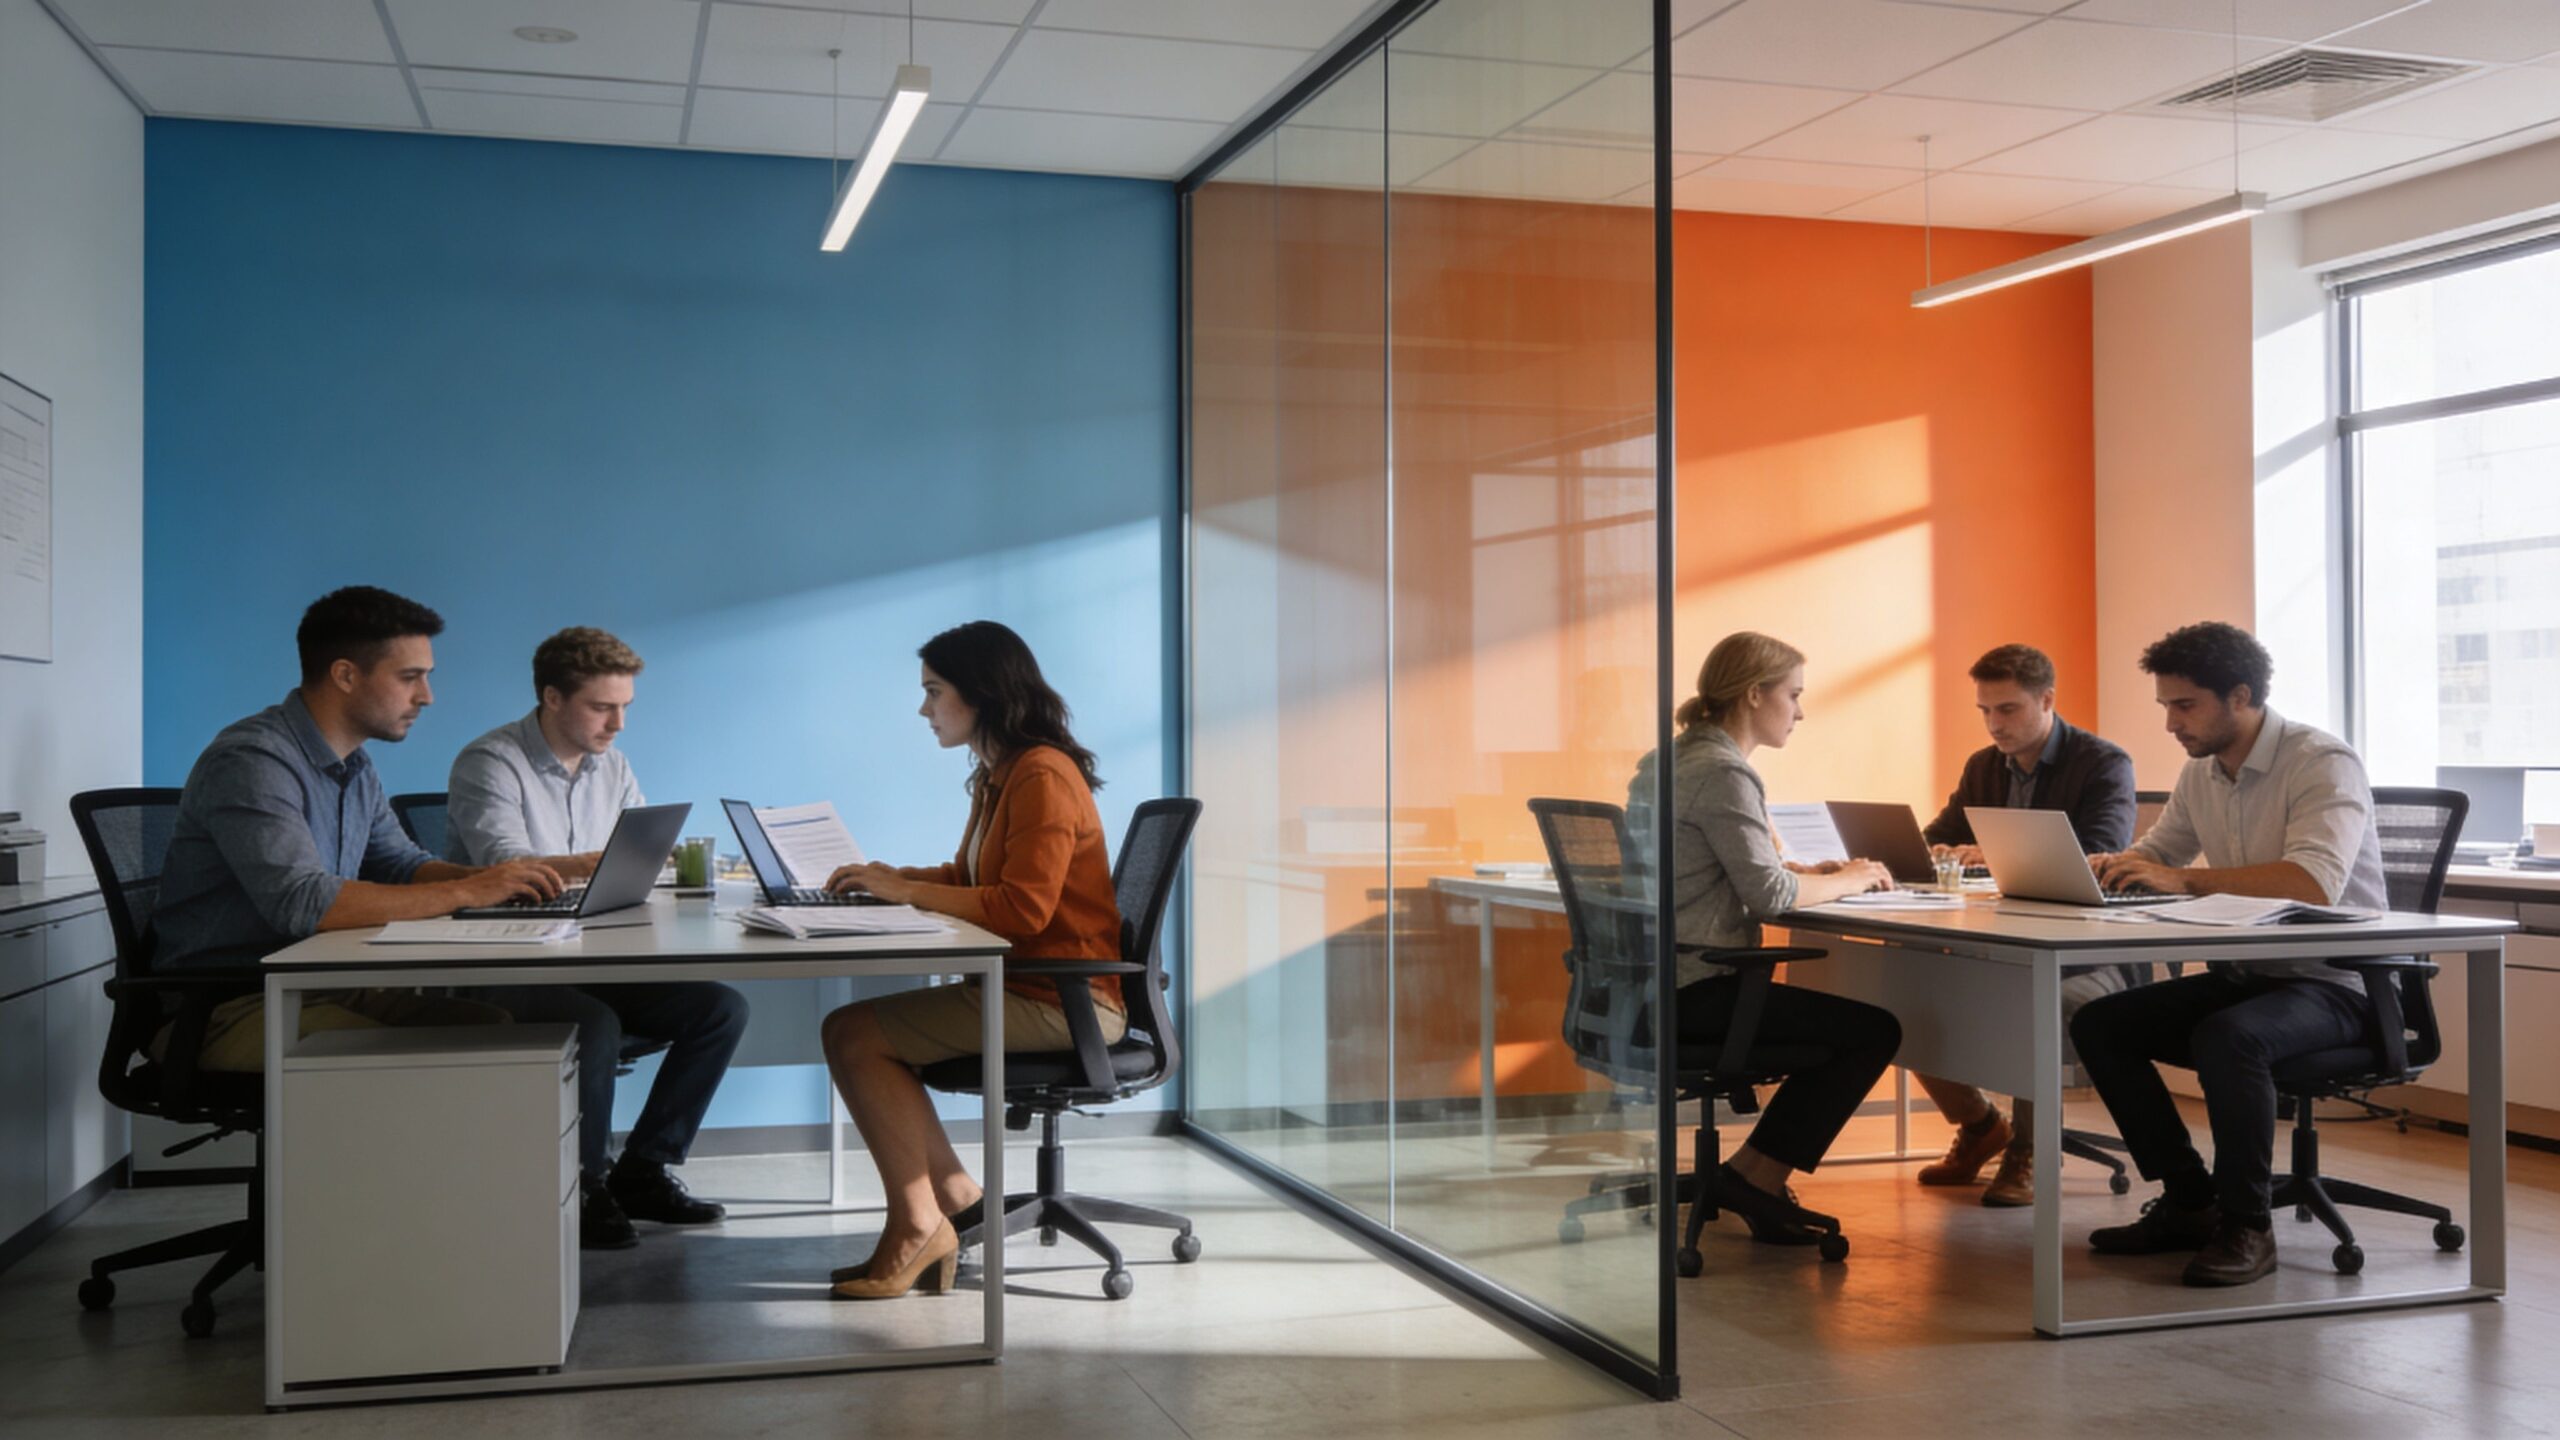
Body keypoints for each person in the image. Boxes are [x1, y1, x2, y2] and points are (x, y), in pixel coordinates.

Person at [2071, 621, 2387, 1287]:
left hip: (2341, 984)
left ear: (2239, 696)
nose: (2170, 723)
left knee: (2229, 1036)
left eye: (2184, 705)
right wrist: (2102, 867)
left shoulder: (2321, 762)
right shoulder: (2203, 772)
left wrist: (2182, 880)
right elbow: (2159, 854)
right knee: (2102, 1022)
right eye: (2166, 706)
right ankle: (2191, 1201)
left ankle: (2248, 1225)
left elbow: (2313, 882)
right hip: (2254, 975)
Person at [815, 621, 1123, 1299]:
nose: (923, 708)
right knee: (852, 1032)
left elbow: (1023, 909)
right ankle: (954, 1199)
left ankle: (919, 1225)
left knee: (854, 1034)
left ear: (981, 693)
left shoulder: (1042, 774)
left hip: (1066, 1002)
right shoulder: (1000, 774)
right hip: (1032, 989)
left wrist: (904, 892)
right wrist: (889, 877)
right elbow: (968, 877)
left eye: (934, 691)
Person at [151, 587, 573, 1070]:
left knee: (495, 1033)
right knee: (439, 1064)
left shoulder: (355, 765)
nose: (427, 696)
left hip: (320, 984)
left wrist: (497, 885)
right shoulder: (252, 760)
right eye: (410, 677)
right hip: (227, 1004)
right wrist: (469, 891)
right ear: (346, 675)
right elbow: (303, 902)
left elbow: (400, 865)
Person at [446, 627, 748, 1251]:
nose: (618, 724)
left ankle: (643, 1170)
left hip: (588, 954)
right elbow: (510, 866)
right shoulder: (490, 761)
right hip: (508, 963)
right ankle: (584, 1187)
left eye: (624, 707)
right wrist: (596, 863)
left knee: (720, 1008)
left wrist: (657, 866)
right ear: (552, 698)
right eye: (602, 707)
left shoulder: (613, 766)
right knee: (596, 1022)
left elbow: (635, 858)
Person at [1626, 631, 1905, 1246]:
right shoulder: (1724, 771)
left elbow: (1723, 868)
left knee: (1847, 1029)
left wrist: (1808, 873)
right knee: (1874, 1031)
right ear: (1754, 694)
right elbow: (1771, 898)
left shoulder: (1669, 760)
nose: (1800, 712)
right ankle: (1760, 1180)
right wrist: (1855, 878)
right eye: (1794, 695)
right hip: (1698, 988)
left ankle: (1750, 1175)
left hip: (1646, 988)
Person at [1908, 644, 2137, 1206]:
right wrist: (1936, 850)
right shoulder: (1984, 767)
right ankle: (1983, 1126)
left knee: (2032, 1001)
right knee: (1908, 998)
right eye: (1985, 711)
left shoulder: (2103, 763)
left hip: (2085, 954)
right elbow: (1938, 835)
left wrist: (1989, 853)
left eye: (2007, 709)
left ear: (2047, 700)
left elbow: (2100, 852)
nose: (1994, 725)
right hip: (2001, 942)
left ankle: (2030, 1150)